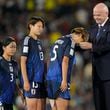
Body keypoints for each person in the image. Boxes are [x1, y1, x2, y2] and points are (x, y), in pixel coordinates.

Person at [46, 27, 89, 110]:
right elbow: (65, 61)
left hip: (51, 77)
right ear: (79, 35)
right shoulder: (71, 42)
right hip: (60, 78)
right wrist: (64, 80)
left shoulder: (59, 39)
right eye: (82, 40)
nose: (80, 43)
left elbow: (49, 59)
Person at [80, 3, 110, 110]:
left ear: (107, 13)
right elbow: (84, 41)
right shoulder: (93, 28)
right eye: (94, 15)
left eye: (99, 15)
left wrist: (92, 46)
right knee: (98, 105)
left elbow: (108, 45)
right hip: (96, 74)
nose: (96, 17)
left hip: (108, 75)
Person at [20, 16, 46, 110]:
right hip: (32, 79)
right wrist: (26, 81)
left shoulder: (39, 42)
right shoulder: (27, 40)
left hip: (41, 80)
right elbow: (22, 61)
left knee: (42, 107)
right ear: (31, 26)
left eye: (42, 27)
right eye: (38, 26)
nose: (41, 29)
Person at [0, 37, 18, 110]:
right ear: (4, 47)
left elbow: (13, 81)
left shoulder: (15, 63)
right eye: (11, 47)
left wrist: (21, 93)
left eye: (15, 47)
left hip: (10, 101)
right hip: (1, 101)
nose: (13, 49)